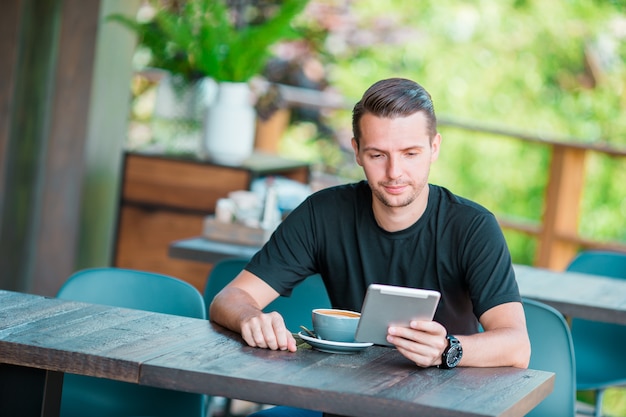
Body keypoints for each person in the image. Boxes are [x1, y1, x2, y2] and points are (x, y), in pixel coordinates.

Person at [209, 77, 531, 417]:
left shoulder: (472, 226)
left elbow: (516, 345)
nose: (395, 172)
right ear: (358, 151)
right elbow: (229, 299)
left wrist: (447, 349)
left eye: (410, 153)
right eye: (378, 155)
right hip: (346, 405)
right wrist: (251, 318)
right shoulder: (323, 214)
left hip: (443, 408)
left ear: (434, 147)